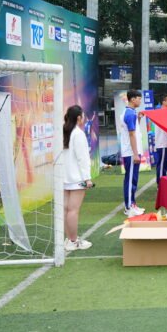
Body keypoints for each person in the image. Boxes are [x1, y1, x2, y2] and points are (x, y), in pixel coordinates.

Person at [62, 105, 93, 251]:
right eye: (83, 116)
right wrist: (87, 178)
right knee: (72, 210)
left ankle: (70, 239)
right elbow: (83, 158)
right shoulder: (78, 134)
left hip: (64, 177)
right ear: (79, 118)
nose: (84, 118)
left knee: (66, 210)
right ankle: (73, 241)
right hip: (77, 178)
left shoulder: (64, 132)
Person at [119, 89, 144, 217]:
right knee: (130, 179)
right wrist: (135, 154)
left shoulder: (131, 112)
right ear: (133, 99)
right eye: (139, 99)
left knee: (133, 178)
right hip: (131, 152)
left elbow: (134, 130)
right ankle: (129, 207)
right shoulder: (129, 114)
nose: (140, 101)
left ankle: (132, 204)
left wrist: (138, 119)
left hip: (132, 150)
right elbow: (131, 134)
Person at [154, 95, 167, 181]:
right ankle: (160, 182)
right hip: (162, 142)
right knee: (161, 163)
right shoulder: (159, 112)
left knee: (166, 163)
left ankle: (164, 180)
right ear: (164, 102)